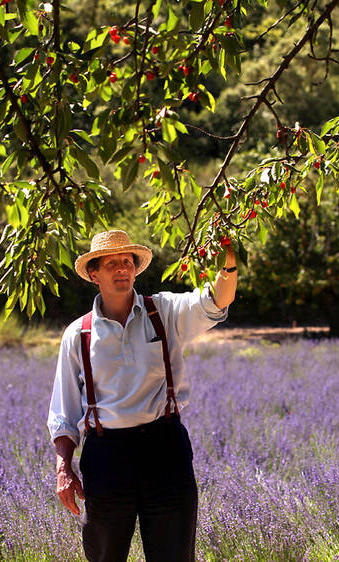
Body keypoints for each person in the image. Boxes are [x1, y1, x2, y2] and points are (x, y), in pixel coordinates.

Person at [46, 229, 237, 562]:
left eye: (127, 262)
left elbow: (218, 300)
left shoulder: (162, 311)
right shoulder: (78, 334)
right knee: (105, 556)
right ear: (94, 274)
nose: (122, 269)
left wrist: (229, 264)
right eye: (112, 264)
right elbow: (63, 410)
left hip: (164, 449)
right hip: (106, 458)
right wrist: (64, 468)